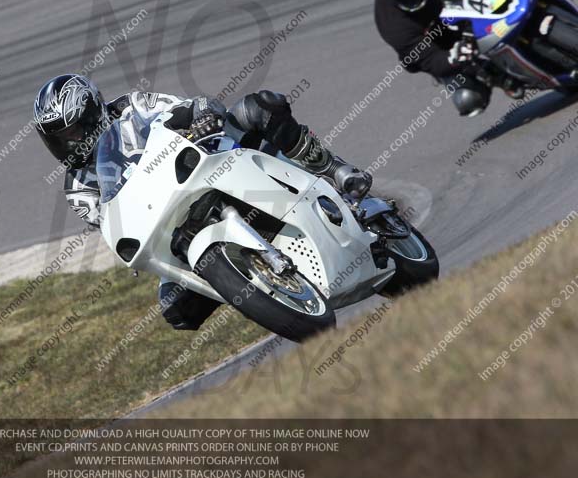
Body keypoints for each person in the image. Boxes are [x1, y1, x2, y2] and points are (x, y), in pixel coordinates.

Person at [34, 74, 372, 331]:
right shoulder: (77, 187)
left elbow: (186, 107)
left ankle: (334, 169)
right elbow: (110, 223)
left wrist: (200, 116)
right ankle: (253, 282)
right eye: (58, 139)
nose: (68, 144)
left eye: (72, 133)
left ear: (93, 113)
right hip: (168, 223)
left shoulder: (131, 106)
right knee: (174, 310)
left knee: (259, 107)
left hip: (210, 161)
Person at [374, 0, 527, 117]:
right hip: (439, 44)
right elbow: (428, 59)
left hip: (461, 14)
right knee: (468, 99)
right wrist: (453, 57)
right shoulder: (391, 23)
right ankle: (495, 75)